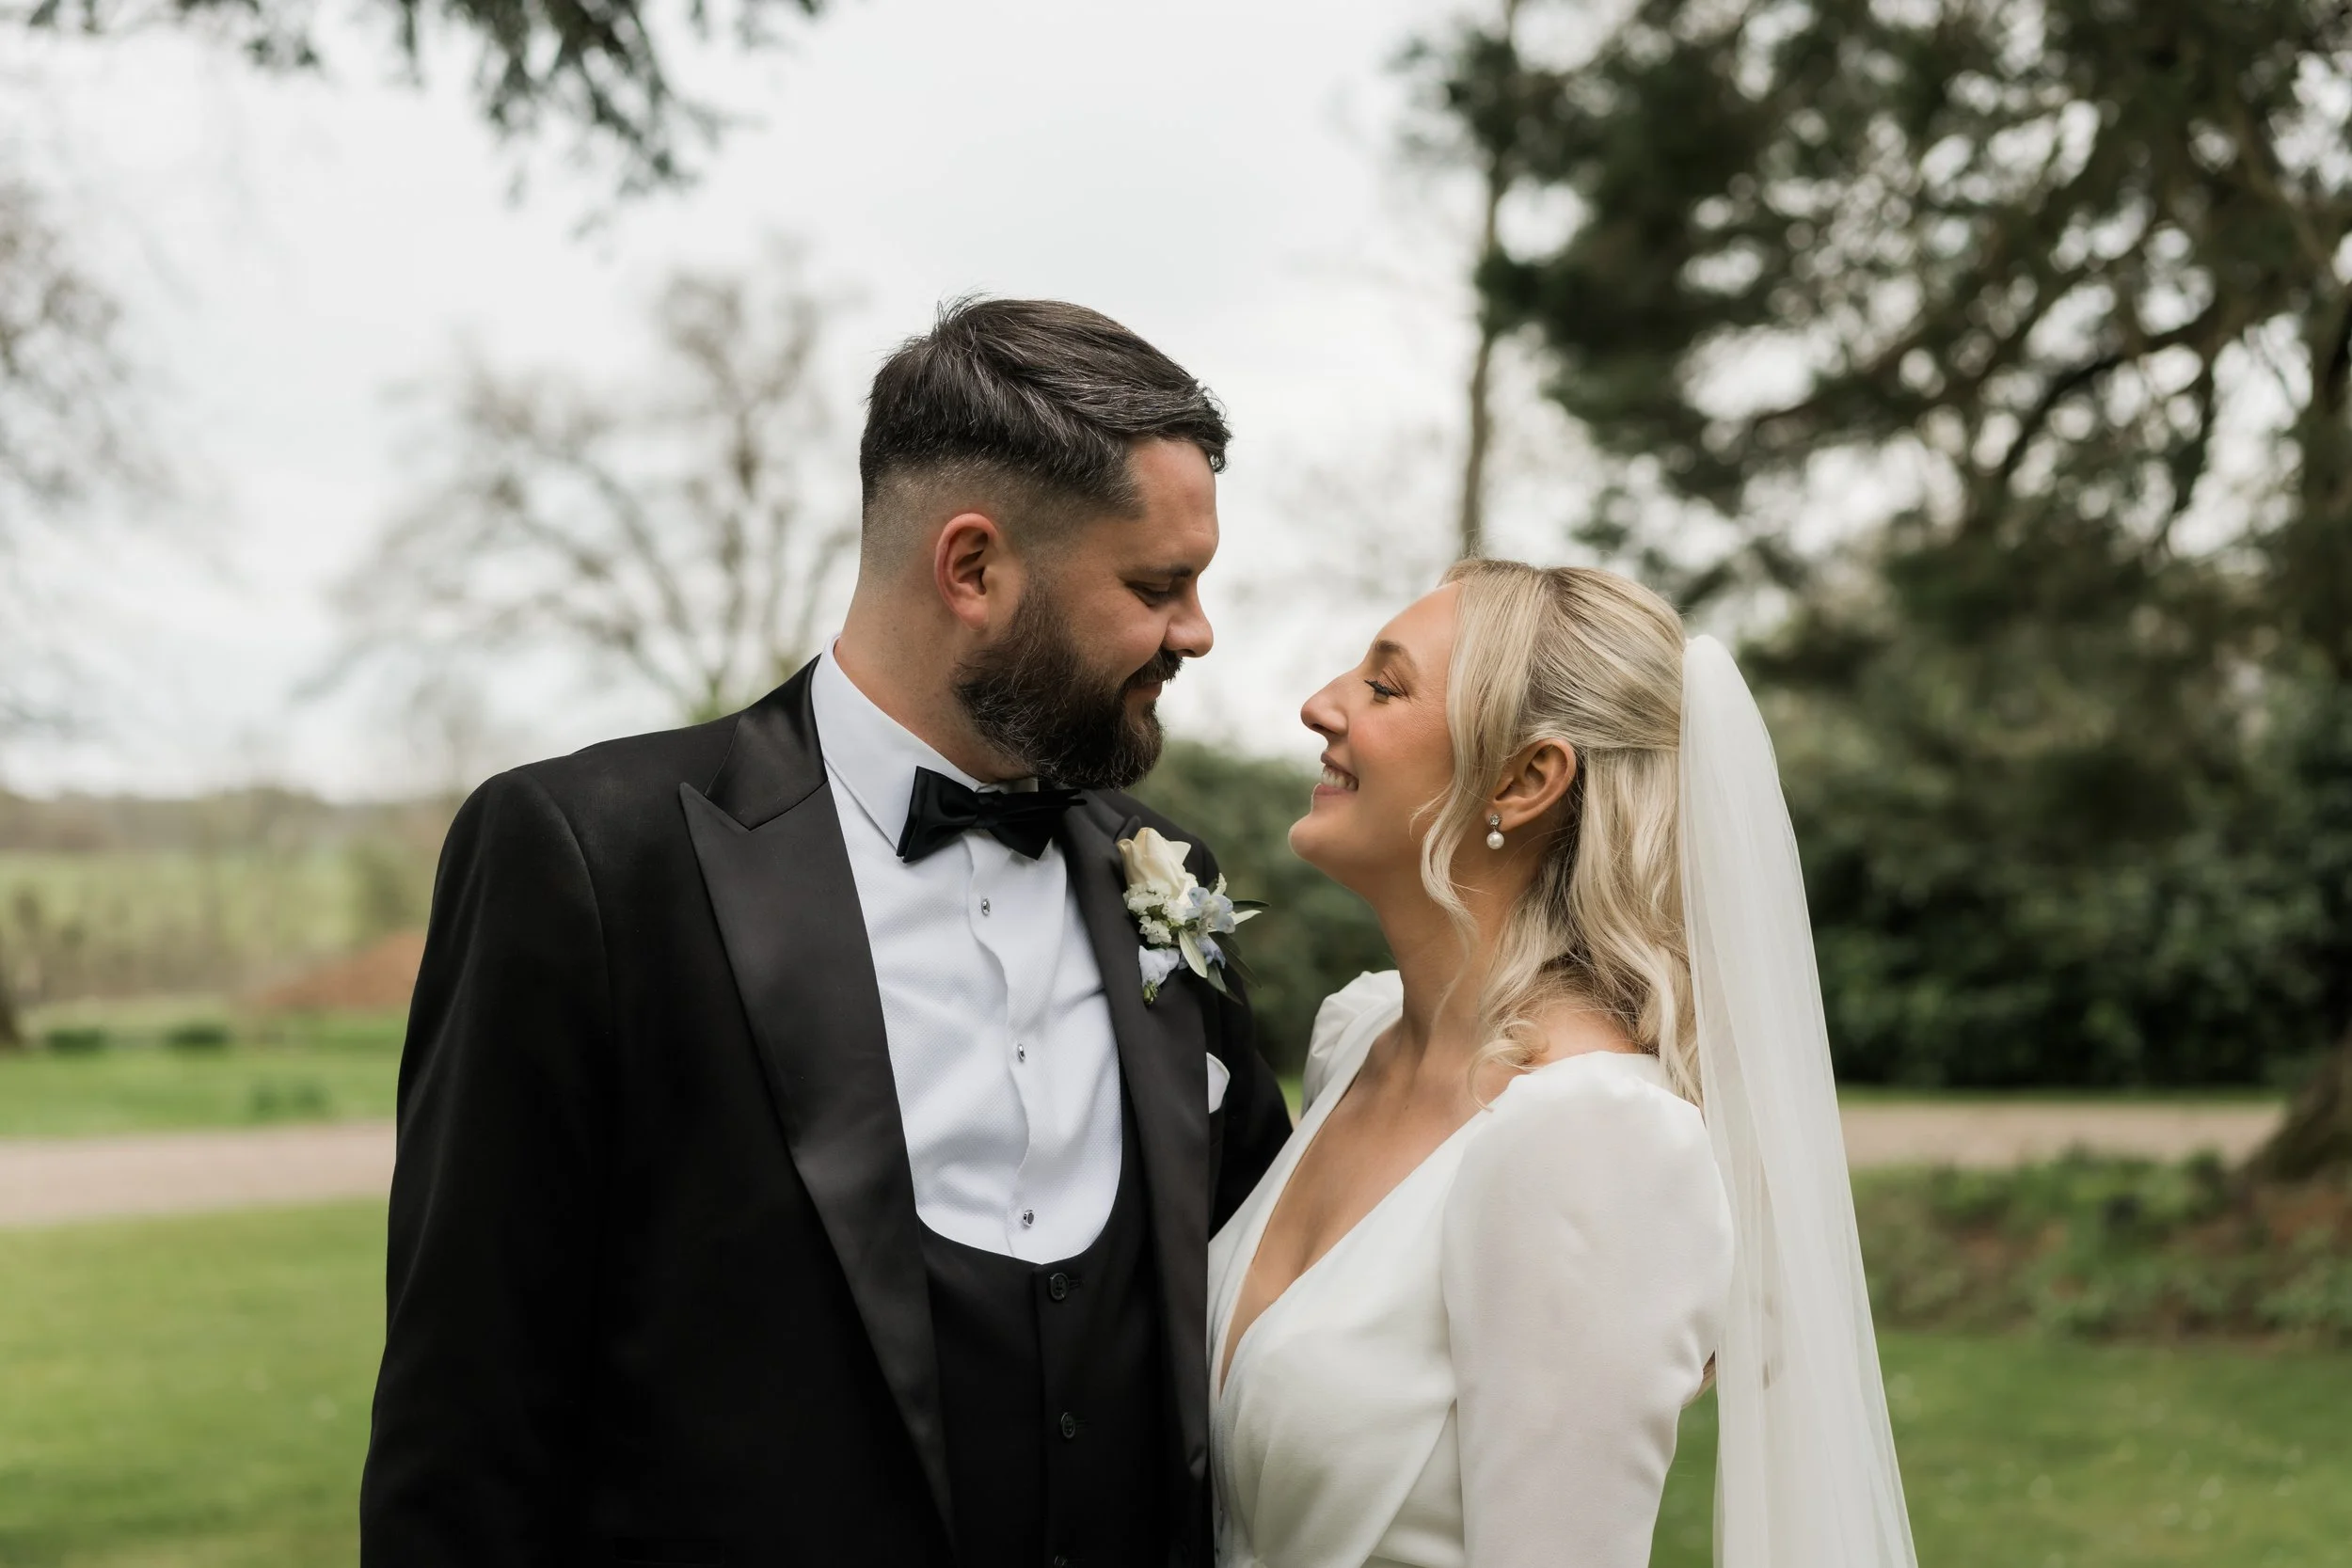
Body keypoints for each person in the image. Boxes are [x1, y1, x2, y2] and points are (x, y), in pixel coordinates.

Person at [359, 298, 1295, 1568]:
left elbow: (1256, 1285)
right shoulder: (588, 857)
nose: (1196, 630)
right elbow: (467, 1417)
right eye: (1157, 585)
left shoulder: (1168, 875)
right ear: (972, 568)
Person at [1209, 560, 1918, 1567]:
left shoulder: (1589, 1137)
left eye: (1383, 683)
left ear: (1524, 778)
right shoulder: (1358, 1040)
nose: (1319, 704)